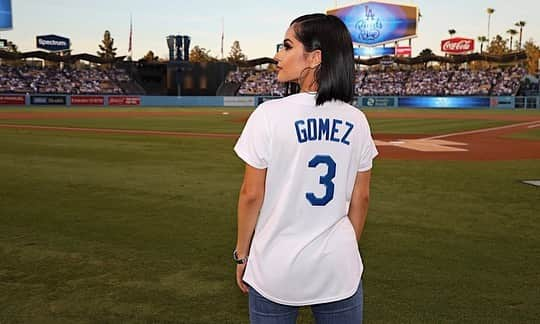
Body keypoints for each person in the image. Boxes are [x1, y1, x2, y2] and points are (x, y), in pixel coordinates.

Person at [233, 13, 378, 324]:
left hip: (274, 268)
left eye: (286, 46)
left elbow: (250, 194)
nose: (277, 55)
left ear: (314, 57)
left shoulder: (268, 115)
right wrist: (341, 249)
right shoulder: (357, 120)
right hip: (338, 269)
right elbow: (361, 199)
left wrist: (241, 254)